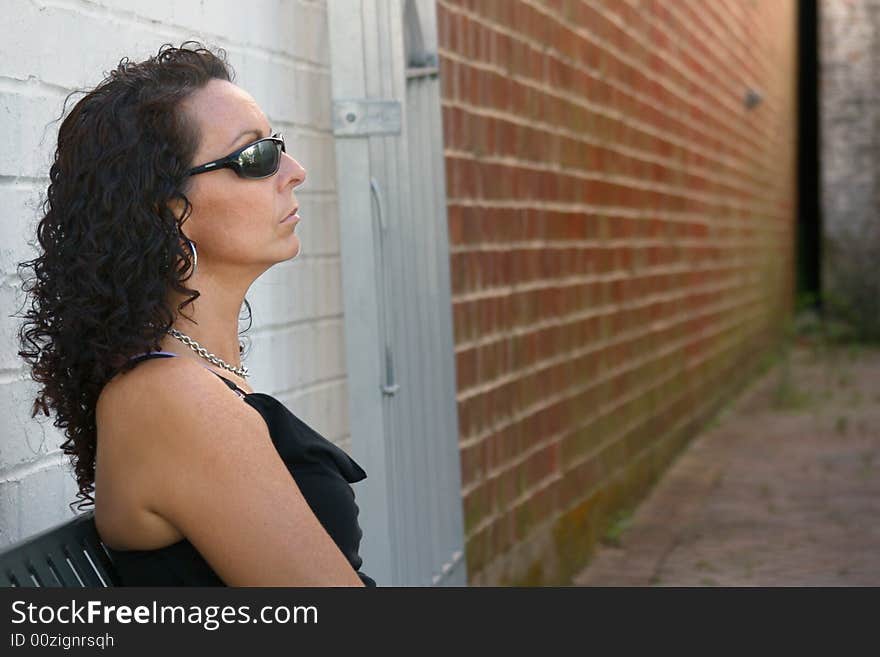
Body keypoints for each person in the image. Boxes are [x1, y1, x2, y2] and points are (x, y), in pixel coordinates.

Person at [15, 41, 375, 586]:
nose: (296, 170)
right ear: (171, 212)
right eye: (257, 157)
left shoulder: (191, 382)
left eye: (279, 146)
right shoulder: (172, 398)